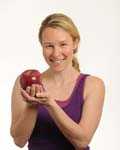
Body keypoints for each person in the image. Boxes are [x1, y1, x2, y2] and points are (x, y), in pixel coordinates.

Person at [10, 13, 105, 150]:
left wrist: (51, 105)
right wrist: (32, 106)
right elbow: (19, 141)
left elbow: (82, 142)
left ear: (75, 43)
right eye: (49, 46)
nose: (56, 53)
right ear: (41, 46)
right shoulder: (24, 82)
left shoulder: (93, 85)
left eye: (63, 44)